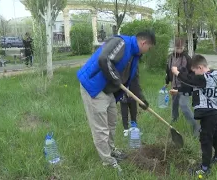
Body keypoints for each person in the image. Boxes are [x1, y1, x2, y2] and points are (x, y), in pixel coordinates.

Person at [77, 30, 155, 171]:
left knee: (112, 122)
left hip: (108, 90)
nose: (147, 51)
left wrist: (142, 100)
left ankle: (111, 150)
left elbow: (134, 80)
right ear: (143, 43)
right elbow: (104, 59)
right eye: (149, 48)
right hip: (94, 87)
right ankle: (107, 161)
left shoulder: (135, 55)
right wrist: (116, 80)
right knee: (101, 128)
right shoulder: (121, 43)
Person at [170, 54, 217, 176]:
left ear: (200, 68)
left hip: (208, 114)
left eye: (194, 71)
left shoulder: (205, 78)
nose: (194, 74)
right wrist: (178, 91)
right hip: (214, 113)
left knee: (205, 139)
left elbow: (190, 81)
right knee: (215, 136)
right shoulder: (207, 78)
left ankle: (205, 168)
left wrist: (177, 73)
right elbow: (192, 88)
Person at [165, 37, 200, 137]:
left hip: (184, 87)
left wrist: (179, 71)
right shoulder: (171, 57)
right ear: (174, 47)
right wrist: (167, 80)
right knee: (174, 106)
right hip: (174, 86)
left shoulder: (187, 58)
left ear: (184, 47)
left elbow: (191, 74)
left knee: (184, 106)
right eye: (177, 48)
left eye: (181, 48)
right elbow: (168, 70)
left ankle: (195, 125)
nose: (179, 50)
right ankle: (174, 122)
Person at [119, 69, 142, 137]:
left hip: (132, 95)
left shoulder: (134, 70)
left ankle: (134, 127)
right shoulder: (121, 70)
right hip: (123, 95)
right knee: (124, 112)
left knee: (133, 111)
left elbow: (136, 82)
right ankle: (126, 129)